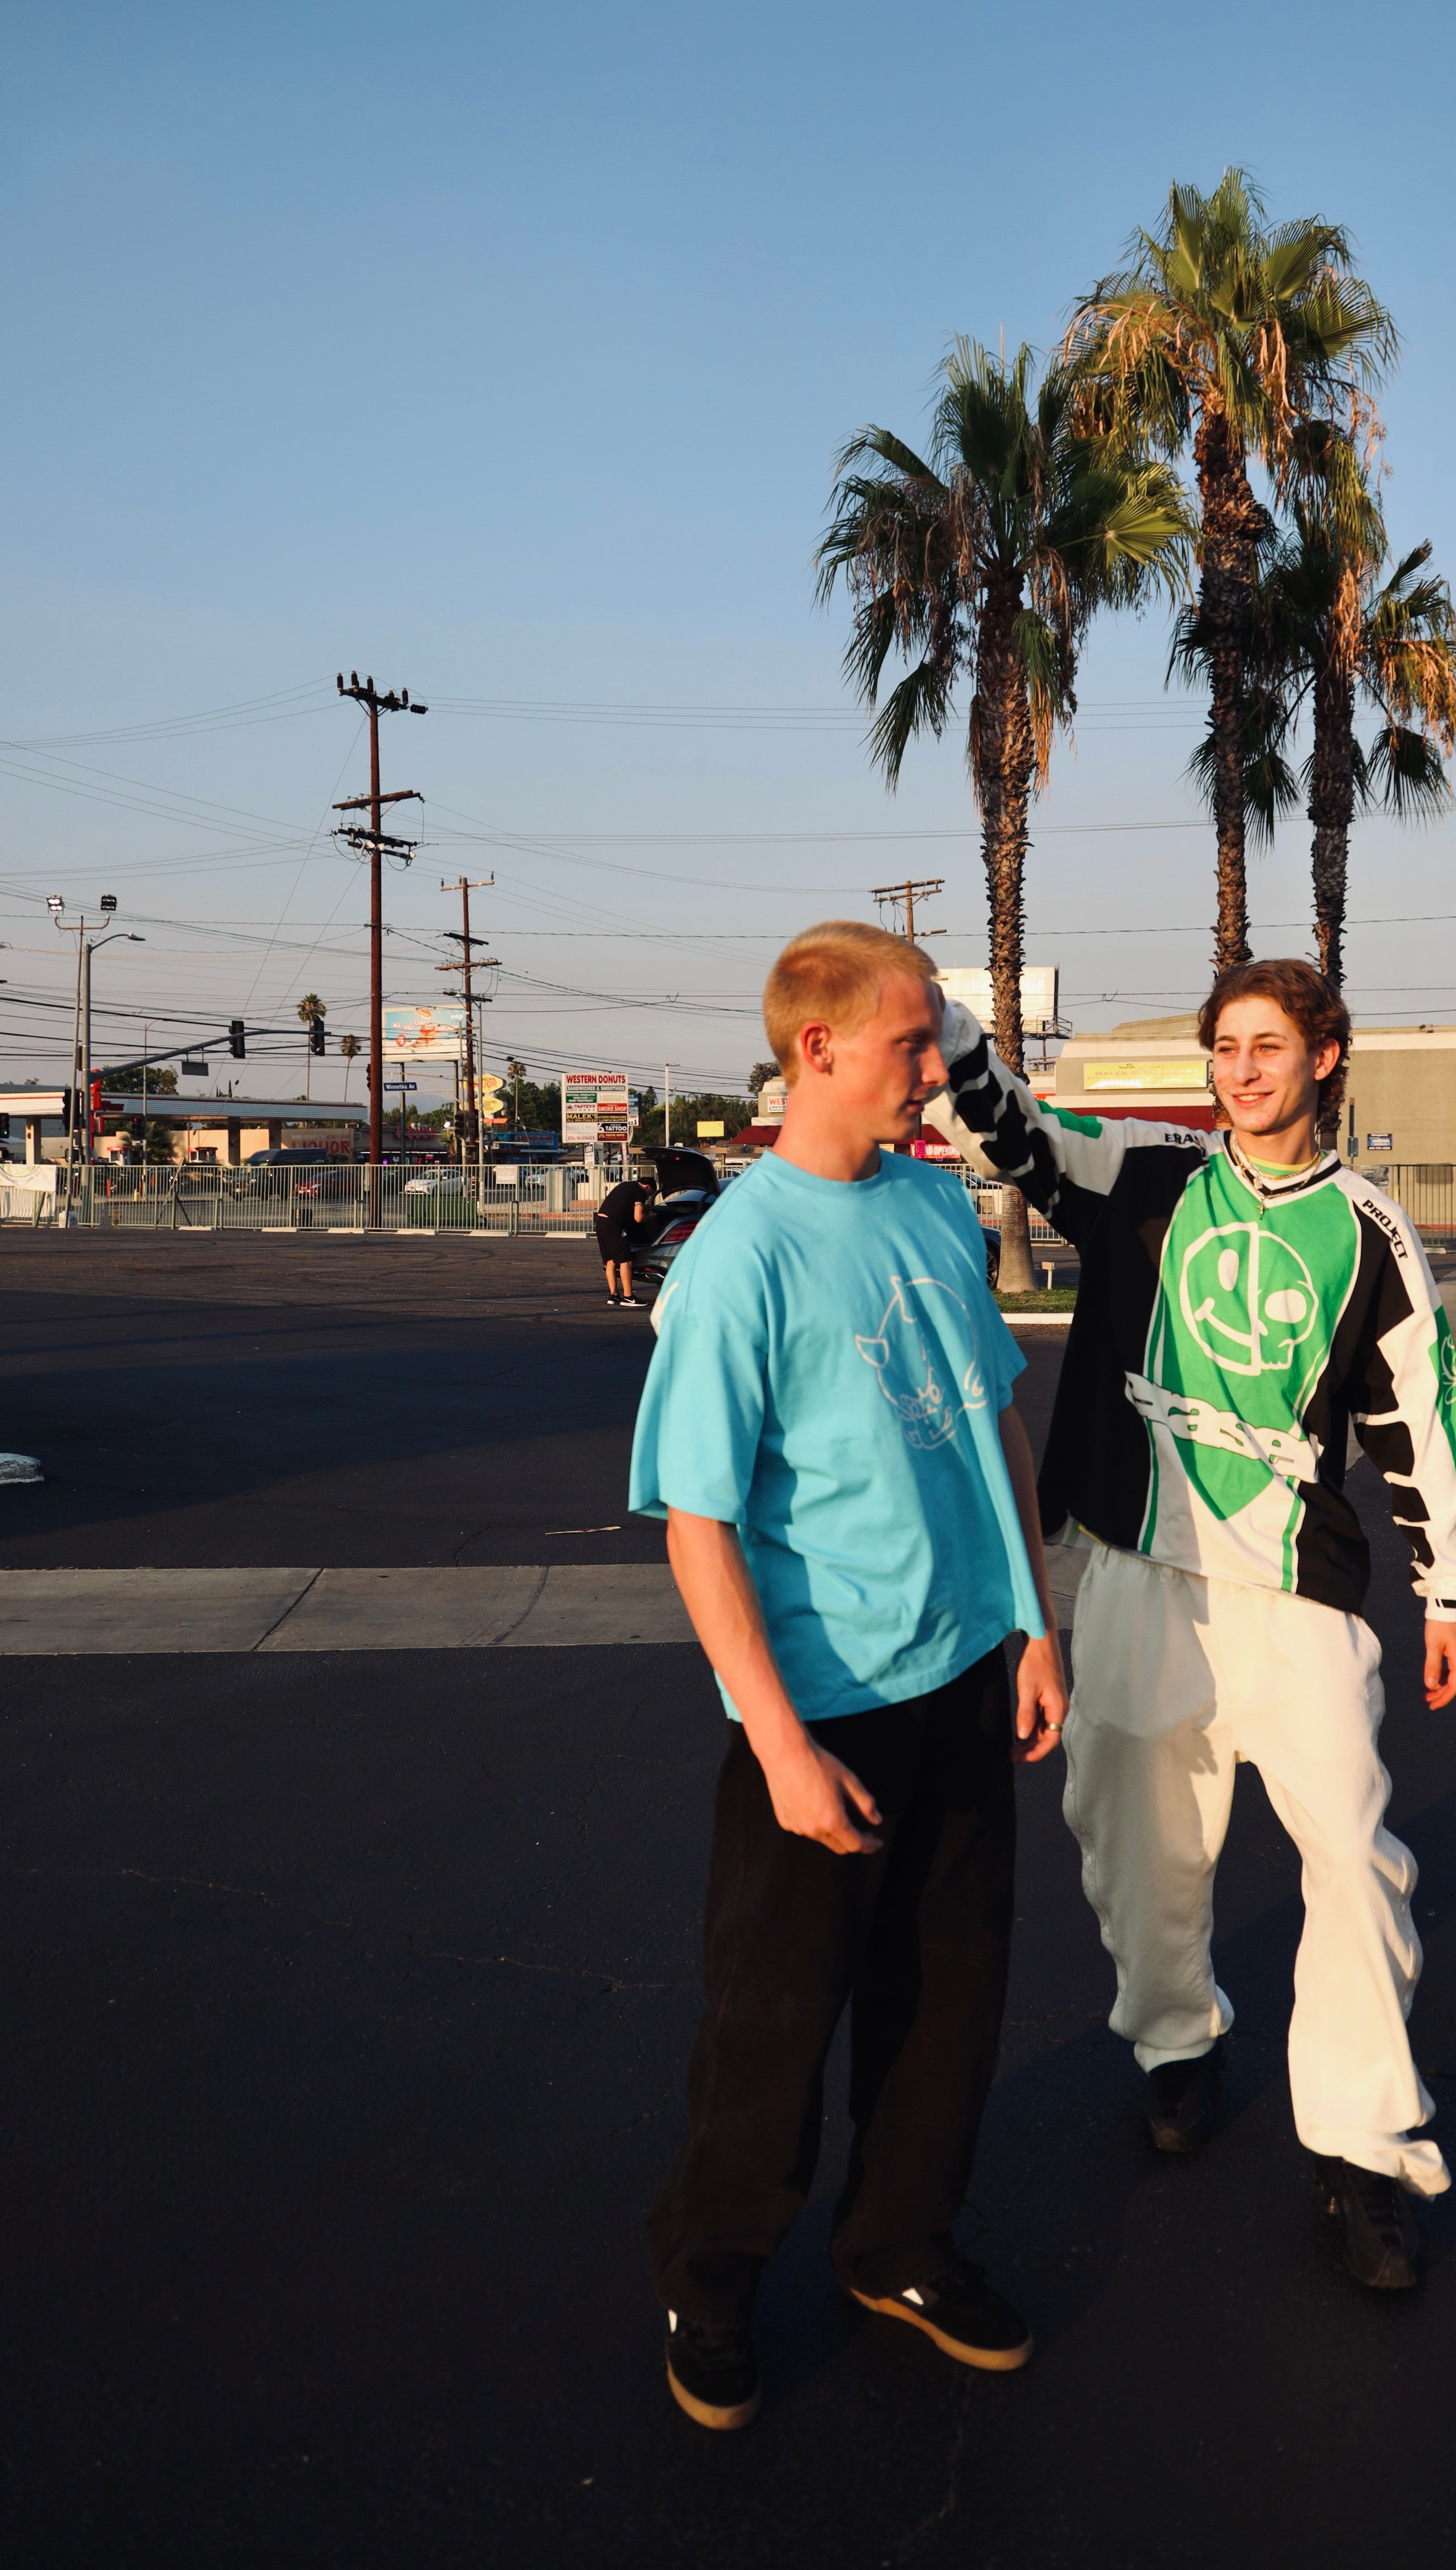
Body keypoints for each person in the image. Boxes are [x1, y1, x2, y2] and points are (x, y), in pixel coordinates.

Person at [927, 958, 1456, 2292]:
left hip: (1296, 1595)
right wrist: (942, 1026)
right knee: (1136, 1839)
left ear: (1325, 1057)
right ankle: (1179, 2041)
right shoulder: (1147, 1181)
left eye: (1270, 1047)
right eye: (1226, 1048)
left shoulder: (1371, 1230)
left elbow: (1423, 1411)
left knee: (1352, 1858)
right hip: (1131, 1573)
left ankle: (1363, 2150)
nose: (1243, 1071)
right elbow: (1015, 1126)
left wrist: (1446, 1585)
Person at [630, 920, 1067, 2430]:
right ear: (815, 1049)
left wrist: (1033, 1623)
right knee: (777, 2011)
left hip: (961, 1675)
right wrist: (778, 1744)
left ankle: (896, 2244)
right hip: (816, 1710)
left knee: (948, 1993)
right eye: (910, 1046)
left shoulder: (937, 1211)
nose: (937, 1073)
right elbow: (696, 1527)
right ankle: (715, 2272)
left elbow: (992, 1413)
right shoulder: (737, 1260)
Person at [595, 1169, 649, 1305]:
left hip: (601, 1221)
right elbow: (638, 1217)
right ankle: (629, 1297)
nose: (648, 1197)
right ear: (648, 1187)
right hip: (614, 1224)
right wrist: (651, 1216)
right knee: (626, 1261)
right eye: (650, 1194)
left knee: (611, 1261)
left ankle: (614, 1296)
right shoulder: (640, 1192)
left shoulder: (625, 1185)